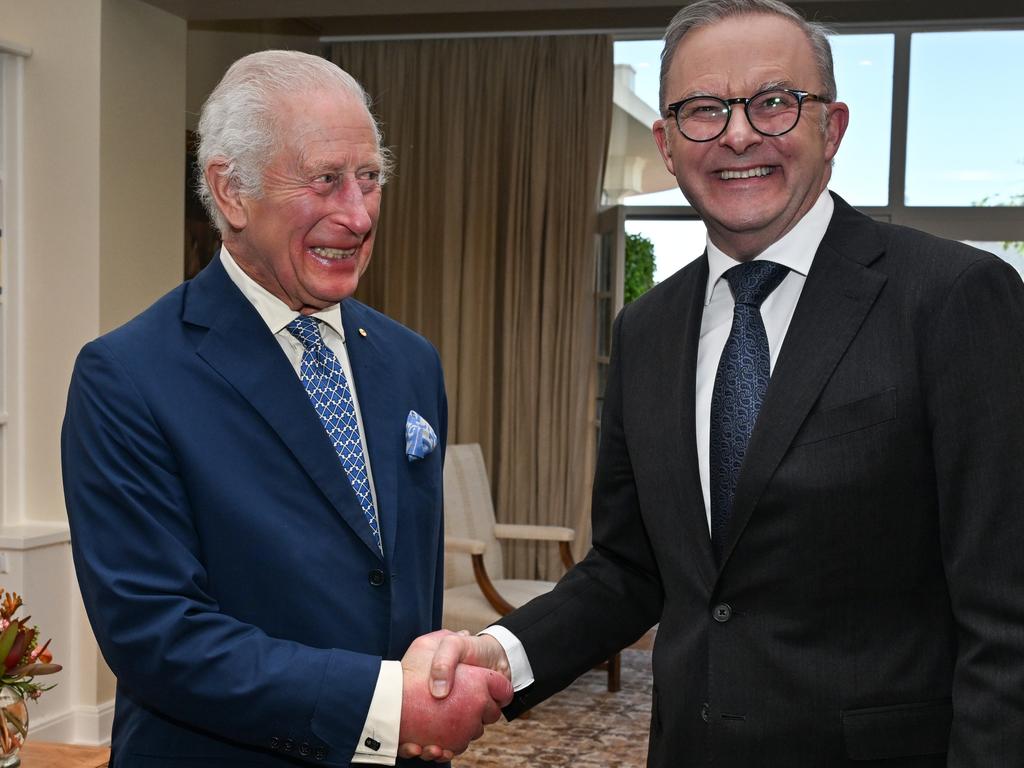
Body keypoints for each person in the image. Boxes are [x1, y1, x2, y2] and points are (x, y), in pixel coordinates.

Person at [423, 1, 1024, 765]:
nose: (739, 134)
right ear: (668, 146)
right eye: (705, 110)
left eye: (774, 102)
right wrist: (500, 656)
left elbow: (1007, 614)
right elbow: (629, 570)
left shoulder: (953, 297)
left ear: (831, 127)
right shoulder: (645, 330)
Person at [62, 50, 510, 768]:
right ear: (231, 192)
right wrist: (387, 703)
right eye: (326, 180)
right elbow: (158, 635)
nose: (359, 215)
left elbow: (400, 583)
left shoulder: (409, 361)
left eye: (370, 179)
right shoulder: (127, 377)